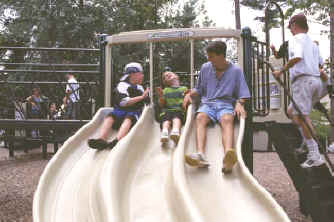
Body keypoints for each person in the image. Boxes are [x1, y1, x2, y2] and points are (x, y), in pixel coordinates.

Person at [183, 41, 251, 174]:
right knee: (200, 117)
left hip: (225, 103)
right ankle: (200, 155)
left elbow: (243, 93)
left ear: (221, 56)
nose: (209, 59)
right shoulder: (206, 67)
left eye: (211, 56)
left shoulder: (236, 71)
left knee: (227, 119)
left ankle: (228, 157)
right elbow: (200, 89)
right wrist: (189, 94)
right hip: (208, 103)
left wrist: (240, 103)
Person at [273, 13, 325, 168]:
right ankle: (307, 139)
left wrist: (280, 71)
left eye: (290, 27)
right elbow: (320, 65)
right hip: (315, 81)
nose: (290, 30)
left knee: (302, 117)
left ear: (295, 24)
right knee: (291, 112)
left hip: (303, 81)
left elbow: (297, 58)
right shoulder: (313, 43)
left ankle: (315, 155)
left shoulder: (295, 39)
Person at [88, 62, 149, 150]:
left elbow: (146, 104)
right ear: (132, 75)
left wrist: (146, 98)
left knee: (129, 117)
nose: (142, 76)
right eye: (140, 74)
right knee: (110, 116)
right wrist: (141, 97)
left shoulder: (140, 88)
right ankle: (101, 138)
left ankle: (117, 140)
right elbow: (123, 102)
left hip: (132, 117)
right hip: (120, 114)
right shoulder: (122, 86)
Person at [156, 71, 189, 145]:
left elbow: (187, 98)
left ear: (176, 76)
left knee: (177, 118)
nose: (167, 75)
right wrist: (161, 96)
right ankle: (164, 132)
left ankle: (175, 131)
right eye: (165, 77)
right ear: (165, 82)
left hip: (178, 110)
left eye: (169, 74)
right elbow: (162, 104)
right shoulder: (165, 90)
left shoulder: (184, 89)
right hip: (167, 110)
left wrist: (187, 98)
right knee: (166, 119)